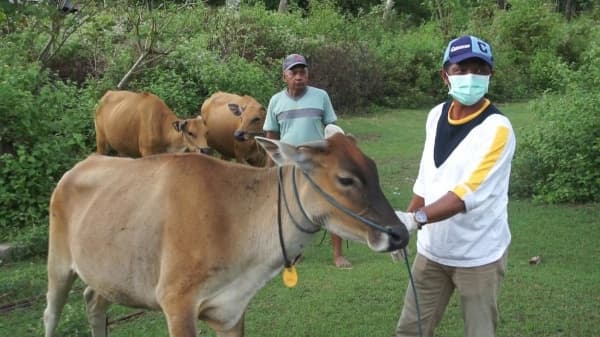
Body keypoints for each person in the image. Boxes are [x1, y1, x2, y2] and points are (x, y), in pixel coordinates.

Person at [394, 35, 516, 337]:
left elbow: (465, 195)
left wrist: (415, 219)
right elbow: (427, 177)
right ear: (444, 75)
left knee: (479, 332)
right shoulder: (435, 115)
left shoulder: (498, 129)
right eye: (461, 69)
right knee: (410, 331)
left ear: (491, 75)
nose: (470, 77)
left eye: (480, 69)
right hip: (432, 251)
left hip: (479, 255)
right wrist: (404, 224)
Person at [263, 53, 353, 269]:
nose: (299, 76)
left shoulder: (321, 96)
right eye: (293, 72)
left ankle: (338, 255)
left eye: (302, 72)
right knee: (290, 210)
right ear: (284, 75)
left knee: (330, 205)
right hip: (289, 165)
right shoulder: (276, 101)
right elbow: (271, 137)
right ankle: (294, 253)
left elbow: (332, 130)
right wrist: (270, 165)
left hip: (318, 163)